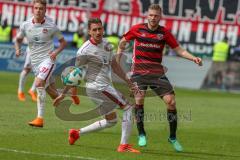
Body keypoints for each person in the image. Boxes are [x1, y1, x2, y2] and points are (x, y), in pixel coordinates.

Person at [117, 4, 202, 151]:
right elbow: (122, 41)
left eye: (156, 15)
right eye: (150, 15)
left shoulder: (164, 33)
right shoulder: (137, 29)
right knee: (139, 98)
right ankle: (142, 133)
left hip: (156, 73)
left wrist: (193, 58)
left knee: (171, 102)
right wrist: (117, 59)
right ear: (147, 15)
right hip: (138, 72)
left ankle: (173, 137)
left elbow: (179, 50)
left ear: (160, 17)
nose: (153, 18)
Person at [53, 18, 140, 153]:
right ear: (89, 32)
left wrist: (128, 82)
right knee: (128, 108)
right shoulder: (84, 51)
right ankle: (124, 146)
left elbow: (114, 66)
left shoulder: (107, 45)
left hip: (102, 87)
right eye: (94, 30)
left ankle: (76, 133)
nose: (98, 32)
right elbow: (74, 74)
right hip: (98, 88)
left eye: (100, 29)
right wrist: (63, 94)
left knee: (111, 121)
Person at [14, 0, 71, 127]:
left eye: (41, 8)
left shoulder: (51, 26)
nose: (38, 11)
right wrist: (17, 49)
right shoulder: (25, 25)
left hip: (48, 60)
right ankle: (65, 95)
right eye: (36, 8)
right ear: (32, 9)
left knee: (39, 83)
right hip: (35, 62)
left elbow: (63, 43)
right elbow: (17, 39)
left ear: (45, 11)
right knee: (49, 89)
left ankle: (39, 119)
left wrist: (55, 53)